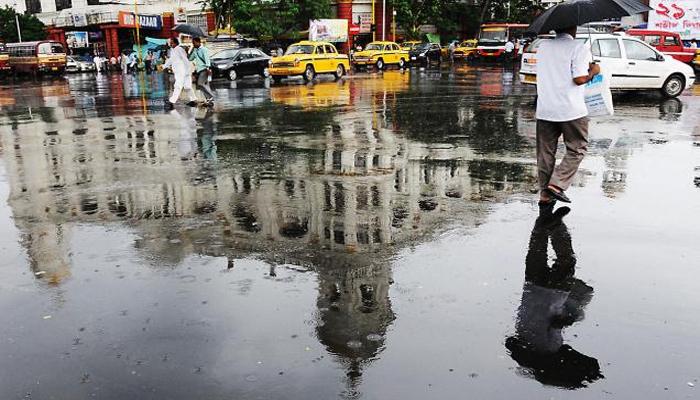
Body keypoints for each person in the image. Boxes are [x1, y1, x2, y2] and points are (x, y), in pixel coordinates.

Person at [506, 206, 602, 389]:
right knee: (536, 249)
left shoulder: (551, 348)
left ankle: (556, 226)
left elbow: (557, 322)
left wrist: (572, 317)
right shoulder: (522, 339)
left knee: (566, 260)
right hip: (532, 286)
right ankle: (544, 214)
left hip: (555, 292)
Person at [535, 26, 600, 204]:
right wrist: (593, 71)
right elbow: (579, 79)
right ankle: (557, 185)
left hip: (545, 108)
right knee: (577, 147)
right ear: (573, 27)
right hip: (571, 109)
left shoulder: (543, 47)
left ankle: (545, 194)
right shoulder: (579, 47)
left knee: (545, 152)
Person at [163, 37, 197, 109]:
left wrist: (188, 70)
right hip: (182, 71)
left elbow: (185, 59)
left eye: (171, 43)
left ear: (175, 43)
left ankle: (172, 102)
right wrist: (163, 66)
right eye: (170, 43)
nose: (170, 44)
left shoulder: (179, 49)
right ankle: (193, 100)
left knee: (178, 86)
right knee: (187, 86)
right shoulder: (174, 50)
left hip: (182, 71)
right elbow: (170, 60)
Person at [188, 37, 215, 106]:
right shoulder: (195, 50)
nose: (193, 44)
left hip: (204, 69)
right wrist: (190, 51)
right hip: (199, 70)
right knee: (203, 85)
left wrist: (208, 68)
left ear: (198, 42)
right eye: (192, 43)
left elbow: (207, 59)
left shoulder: (204, 49)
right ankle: (209, 99)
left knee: (200, 83)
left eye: (194, 43)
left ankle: (211, 96)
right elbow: (190, 58)